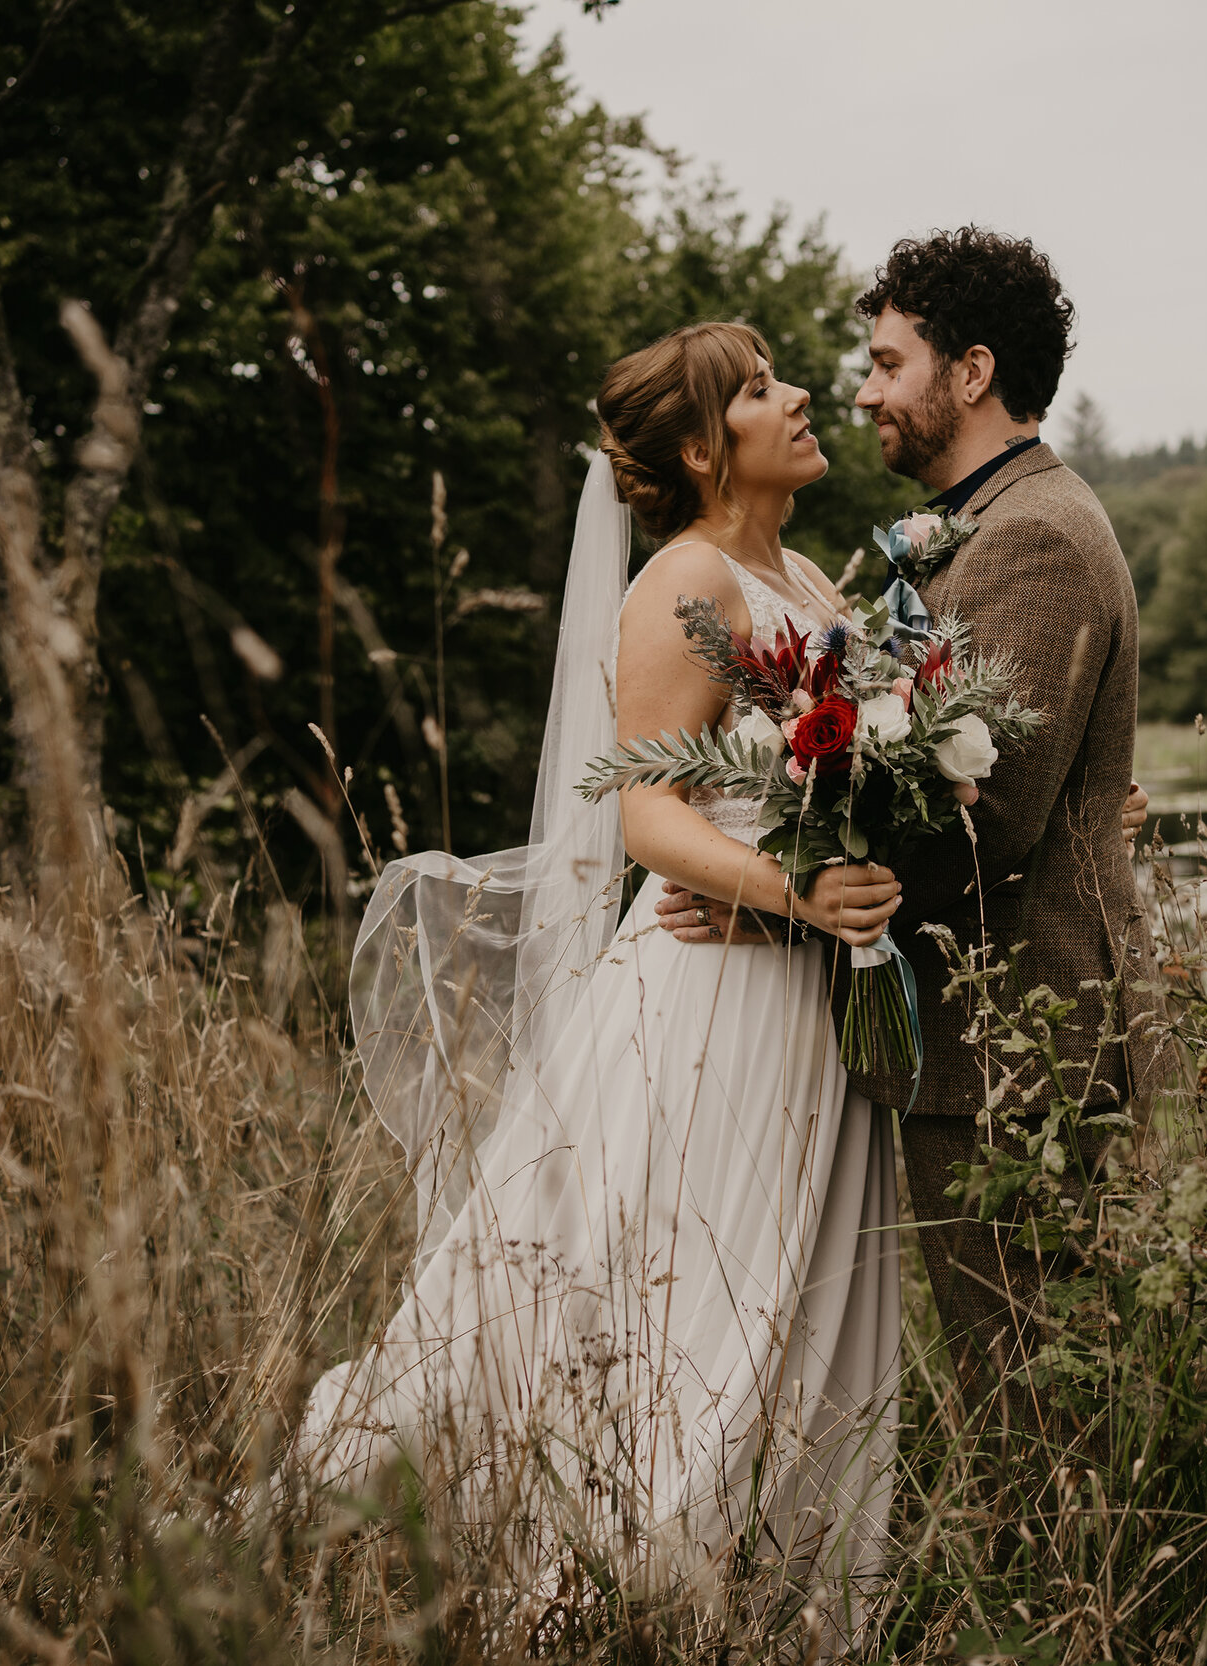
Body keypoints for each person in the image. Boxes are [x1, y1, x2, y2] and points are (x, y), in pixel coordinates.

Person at [297, 323, 906, 1627]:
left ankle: (765, 1602)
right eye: (758, 389)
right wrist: (798, 889)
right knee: (691, 1303)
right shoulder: (684, 582)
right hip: (714, 1007)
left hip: (807, 1001)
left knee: (793, 1306)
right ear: (699, 448)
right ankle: (604, 1598)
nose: (799, 396)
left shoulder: (798, 568)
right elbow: (651, 816)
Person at [657, 228, 1166, 1434]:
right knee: (1026, 1389)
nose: (865, 390)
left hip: (1017, 1043)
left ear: (972, 372)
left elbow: (978, 827)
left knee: (1039, 1410)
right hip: (989, 1041)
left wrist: (769, 905)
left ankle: (1068, 1620)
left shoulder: (1031, 534)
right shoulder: (968, 526)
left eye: (887, 364)